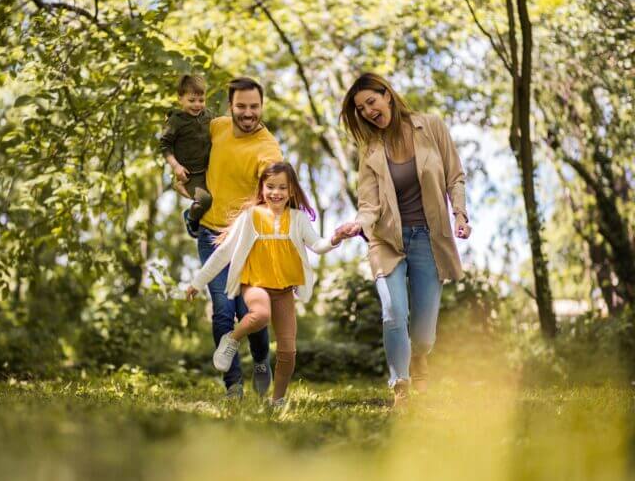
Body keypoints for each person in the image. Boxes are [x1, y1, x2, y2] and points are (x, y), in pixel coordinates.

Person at [337, 72, 472, 408]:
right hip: (386, 240)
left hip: (429, 237)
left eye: (371, 101)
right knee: (393, 312)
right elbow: (369, 203)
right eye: (361, 108)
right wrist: (357, 225)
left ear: (388, 96)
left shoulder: (431, 127)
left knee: (424, 333)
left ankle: (419, 358)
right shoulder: (370, 149)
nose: (368, 111)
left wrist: (459, 214)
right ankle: (401, 386)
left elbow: (454, 176)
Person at [187, 162, 354, 408]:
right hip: (254, 286)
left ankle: (277, 400)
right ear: (262, 189)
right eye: (270, 187)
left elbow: (317, 245)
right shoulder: (251, 216)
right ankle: (231, 340)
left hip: (284, 291)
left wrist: (335, 238)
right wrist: (197, 282)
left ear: (292, 191)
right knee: (261, 315)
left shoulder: (297, 219)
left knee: (288, 351)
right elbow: (224, 253)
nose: (276, 192)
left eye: (282, 188)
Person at [195, 77, 284, 399]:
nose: (248, 113)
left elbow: (273, 188)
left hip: (248, 241)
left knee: (251, 309)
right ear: (230, 106)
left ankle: (261, 360)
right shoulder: (217, 127)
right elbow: (188, 142)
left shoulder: (267, 148)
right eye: (242, 106)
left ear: (262, 106)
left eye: (254, 107)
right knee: (221, 310)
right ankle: (233, 384)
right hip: (210, 234)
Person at [159, 74, 214, 238]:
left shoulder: (208, 116)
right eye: (192, 101)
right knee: (205, 200)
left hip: (209, 168)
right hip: (191, 174)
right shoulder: (176, 121)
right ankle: (191, 218)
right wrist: (176, 166)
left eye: (201, 100)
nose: (197, 105)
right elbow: (164, 145)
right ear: (180, 99)